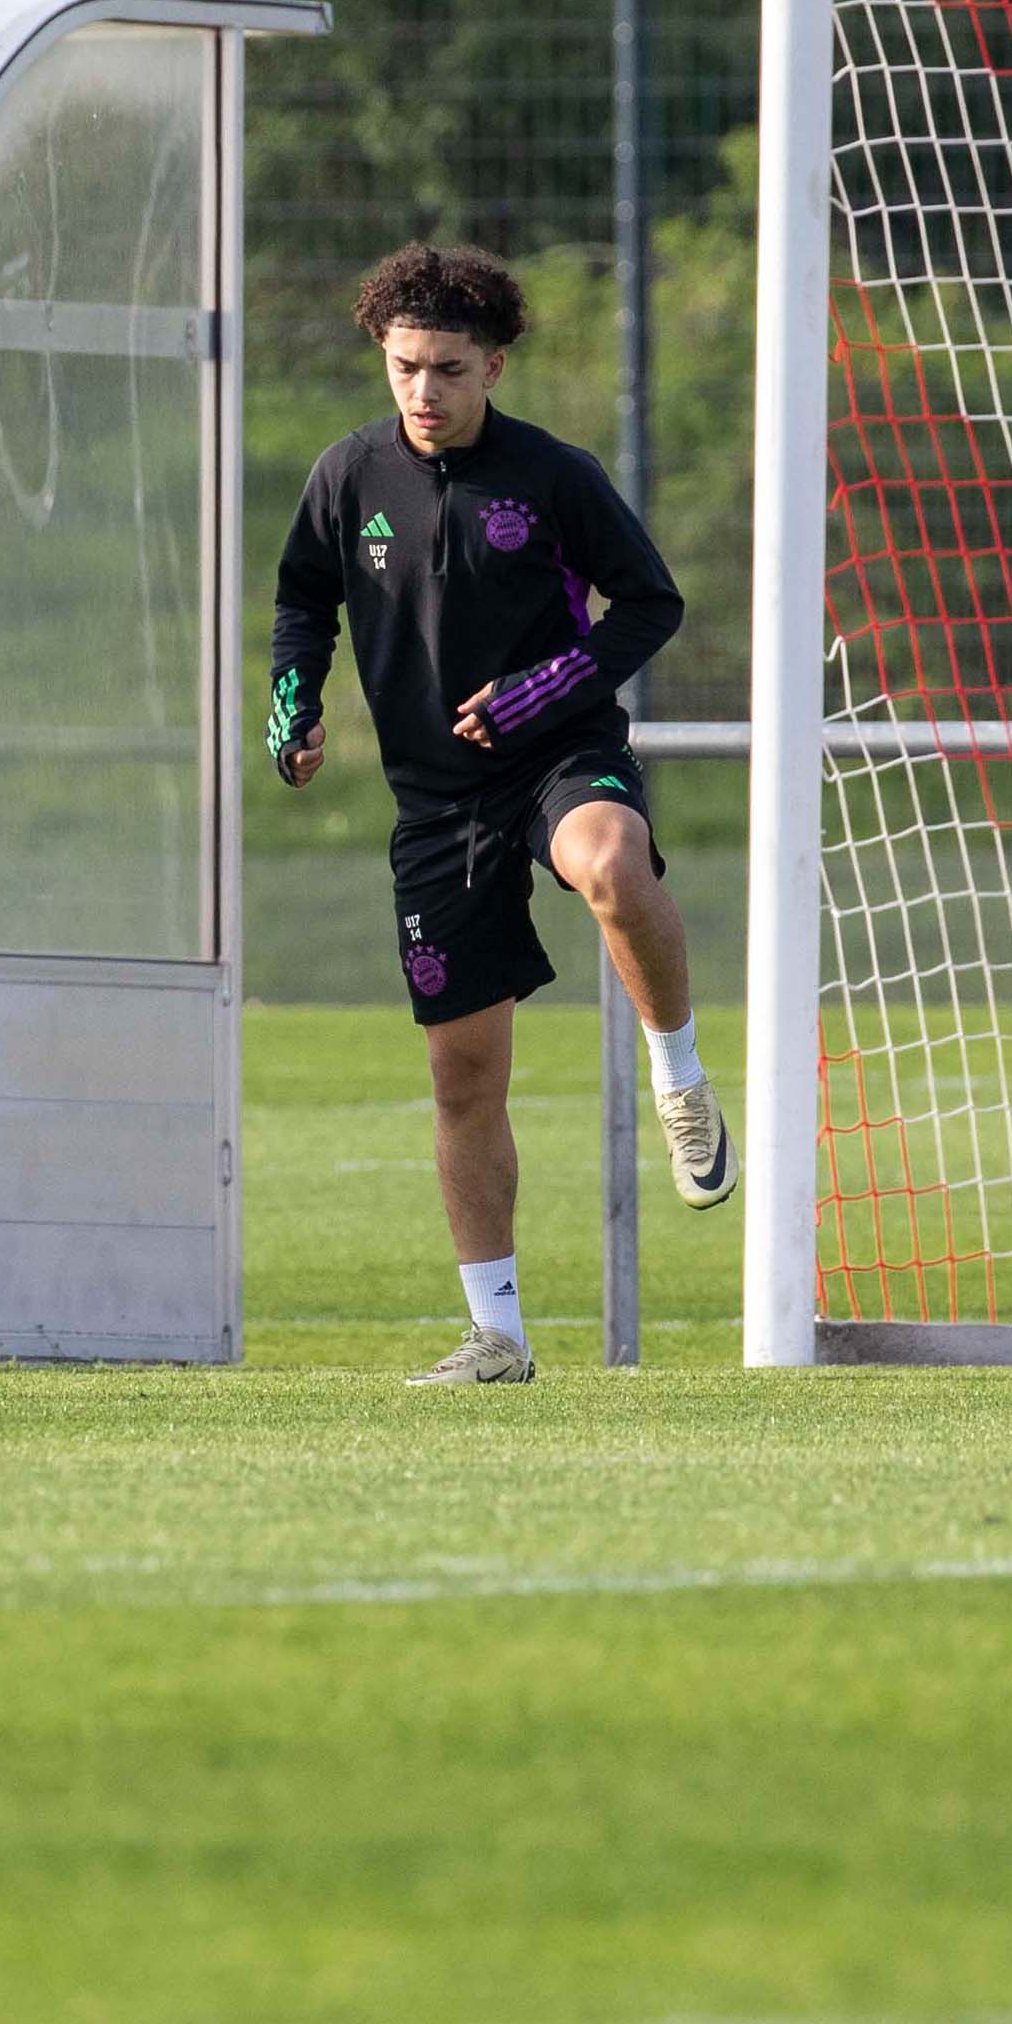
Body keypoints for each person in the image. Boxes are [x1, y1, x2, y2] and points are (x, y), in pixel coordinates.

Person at [267, 244, 708, 1388]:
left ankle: (678, 1073)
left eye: (447, 370)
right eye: (404, 366)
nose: (422, 391)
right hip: (433, 797)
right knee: (463, 1077)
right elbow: (301, 601)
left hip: (556, 751)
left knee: (610, 864)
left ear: (494, 366)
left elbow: (649, 601)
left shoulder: (553, 476)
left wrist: (545, 685)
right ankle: (497, 1336)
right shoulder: (346, 475)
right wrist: (292, 706)